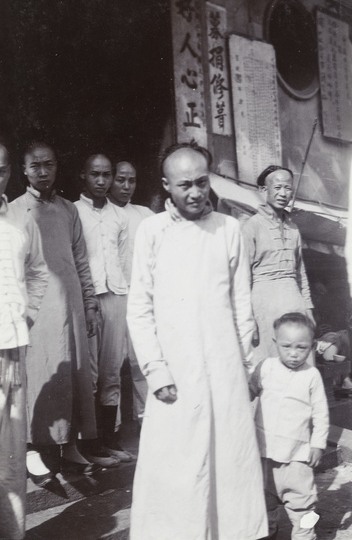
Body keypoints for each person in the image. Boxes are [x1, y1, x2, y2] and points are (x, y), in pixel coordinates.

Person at [127, 142, 268, 540]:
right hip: (175, 371)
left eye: (202, 183)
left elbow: (242, 305)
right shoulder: (151, 231)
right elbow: (139, 307)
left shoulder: (229, 229)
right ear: (166, 186)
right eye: (185, 184)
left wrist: (244, 366)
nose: (195, 193)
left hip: (224, 368)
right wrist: (156, 370)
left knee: (229, 461)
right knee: (178, 466)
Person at [11, 141, 108, 483]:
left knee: (74, 374)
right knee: (40, 373)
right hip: (37, 312)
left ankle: (69, 448)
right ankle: (33, 450)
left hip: (72, 307)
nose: (42, 171)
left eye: (48, 164)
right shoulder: (14, 210)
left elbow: (81, 260)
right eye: (35, 165)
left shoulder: (69, 210)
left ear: (56, 167)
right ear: (23, 170)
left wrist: (91, 303)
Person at [0, 142, 48, 539]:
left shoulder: (20, 220)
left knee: (11, 458)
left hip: (12, 350)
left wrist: (26, 316)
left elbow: (38, 272)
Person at [249, 312, 329, 540]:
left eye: (301, 348)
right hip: (264, 454)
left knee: (303, 504)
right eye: (286, 346)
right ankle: (267, 533)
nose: (293, 354)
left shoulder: (311, 375)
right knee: (263, 501)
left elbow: (321, 413)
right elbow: (247, 392)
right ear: (275, 342)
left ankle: (305, 534)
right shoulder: (265, 367)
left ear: (312, 346)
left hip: (297, 457)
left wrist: (318, 444)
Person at [75, 154, 132, 462]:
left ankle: (110, 440)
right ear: (83, 175)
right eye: (94, 174)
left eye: (106, 175)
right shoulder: (74, 212)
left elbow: (122, 261)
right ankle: (90, 445)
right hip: (90, 300)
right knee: (91, 375)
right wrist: (86, 302)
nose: (101, 181)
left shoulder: (118, 217)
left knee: (112, 371)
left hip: (117, 296)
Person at [242, 165, 314, 365]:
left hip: (294, 300)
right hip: (264, 304)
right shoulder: (251, 226)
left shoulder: (294, 228)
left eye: (288, 188)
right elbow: (242, 277)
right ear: (264, 190)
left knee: (302, 362)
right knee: (269, 365)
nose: (283, 193)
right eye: (278, 187)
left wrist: (308, 309)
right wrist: (249, 319)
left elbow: (301, 273)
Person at [109, 160, 153, 422]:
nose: (126, 186)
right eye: (121, 180)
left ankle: (148, 422)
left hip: (141, 298)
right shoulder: (100, 213)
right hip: (112, 298)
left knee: (142, 363)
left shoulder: (146, 215)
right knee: (110, 368)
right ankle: (109, 434)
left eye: (132, 180)